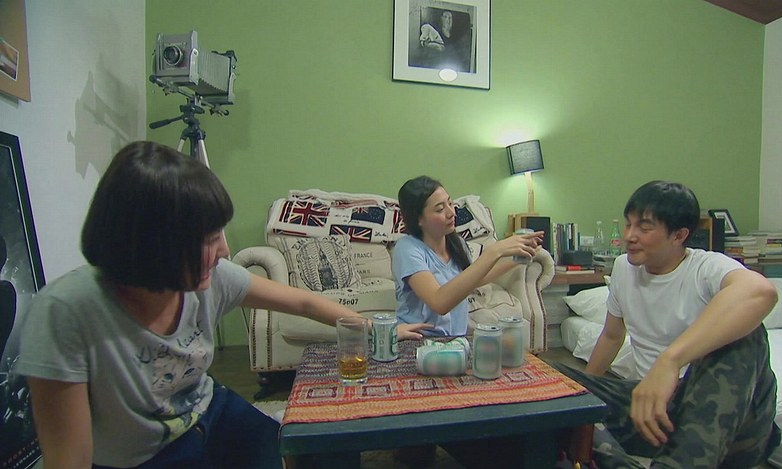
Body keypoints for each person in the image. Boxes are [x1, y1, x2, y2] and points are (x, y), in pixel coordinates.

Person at [13, 141, 429, 469]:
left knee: (310, 445)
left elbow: (304, 301)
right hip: (141, 457)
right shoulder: (67, 312)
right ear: (151, 242)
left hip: (209, 410)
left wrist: (378, 329)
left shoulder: (211, 278)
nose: (225, 250)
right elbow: (69, 459)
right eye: (209, 238)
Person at [554, 180, 781, 468]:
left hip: (725, 425)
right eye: (629, 224)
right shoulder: (624, 268)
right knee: (547, 380)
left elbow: (761, 292)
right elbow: (611, 336)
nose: (630, 236)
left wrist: (670, 361)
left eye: (644, 228)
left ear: (679, 235)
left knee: (747, 333)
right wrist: (582, 398)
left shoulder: (706, 268)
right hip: (654, 415)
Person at [392, 175, 542, 337]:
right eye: (440, 209)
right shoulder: (407, 248)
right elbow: (439, 302)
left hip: (455, 339)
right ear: (418, 219)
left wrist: (517, 259)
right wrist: (495, 251)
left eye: (450, 203)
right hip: (418, 340)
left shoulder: (457, 244)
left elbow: (474, 279)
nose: (451, 213)